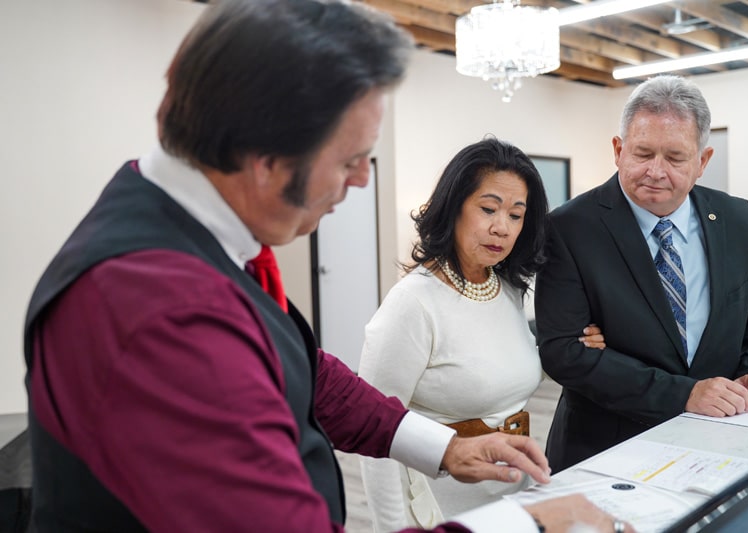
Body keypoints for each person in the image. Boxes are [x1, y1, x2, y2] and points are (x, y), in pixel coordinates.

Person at [22, 1, 630, 532]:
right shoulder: (160, 310)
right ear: (265, 153)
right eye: (350, 159)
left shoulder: (183, 228)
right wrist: (524, 525)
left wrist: (442, 447)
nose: (363, 179)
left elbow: (308, 372)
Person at [534, 74, 748, 474]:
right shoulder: (569, 228)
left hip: (720, 436)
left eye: (675, 158)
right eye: (642, 153)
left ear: (702, 161)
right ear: (618, 150)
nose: (656, 171)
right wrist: (685, 394)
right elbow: (563, 352)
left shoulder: (737, 217)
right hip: (606, 445)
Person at [359, 138, 607, 531]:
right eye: (488, 209)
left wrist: (569, 344)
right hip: (438, 506)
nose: (501, 228)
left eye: (516, 215)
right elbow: (374, 435)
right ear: (453, 207)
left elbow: (497, 367)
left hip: (513, 493)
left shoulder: (506, 289)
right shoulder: (414, 303)